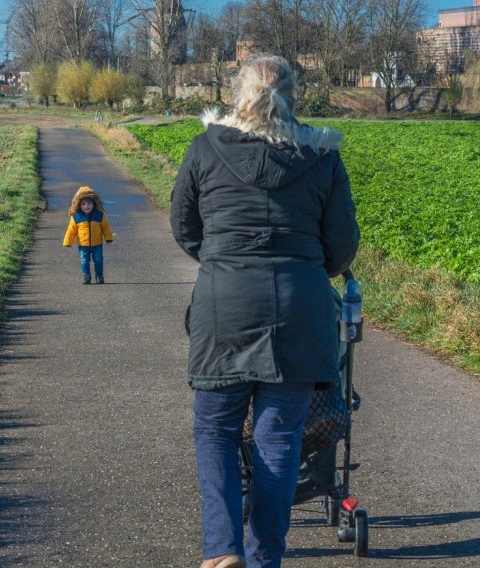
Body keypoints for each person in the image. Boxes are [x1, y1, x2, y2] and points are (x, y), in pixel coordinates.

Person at [170, 55, 360, 568]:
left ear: (237, 94)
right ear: (294, 97)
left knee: (215, 430)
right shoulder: (322, 155)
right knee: (280, 439)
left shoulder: (205, 148)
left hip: (223, 307)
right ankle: (264, 558)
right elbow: (340, 246)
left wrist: (222, 261)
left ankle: (222, 548)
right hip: (299, 311)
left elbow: (185, 229)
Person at [63, 186, 114, 284]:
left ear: (94, 204)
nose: (87, 206)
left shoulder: (99, 215)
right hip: (83, 245)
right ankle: (86, 276)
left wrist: (108, 237)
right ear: (79, 205)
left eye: (89, 203)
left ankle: (99, 275)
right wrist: (68, 242)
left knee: (98, 259)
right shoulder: (76, 217)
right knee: (84, 261)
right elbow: (71, 230)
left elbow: (105, 228)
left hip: (97, 244)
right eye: (83, 204)